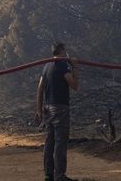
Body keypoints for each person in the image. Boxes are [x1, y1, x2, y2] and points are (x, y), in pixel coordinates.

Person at [35, 43, 79, 181]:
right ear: (62, 51)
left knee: (49, 142)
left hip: (48, 108)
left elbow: (40, 88)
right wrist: (75, 67)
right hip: (60, 108)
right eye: (65, 51)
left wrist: (39, 109)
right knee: (60, 142)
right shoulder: (62, 66)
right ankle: (60, 175)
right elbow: (74, 85)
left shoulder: (46, 66)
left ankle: (49, 174)